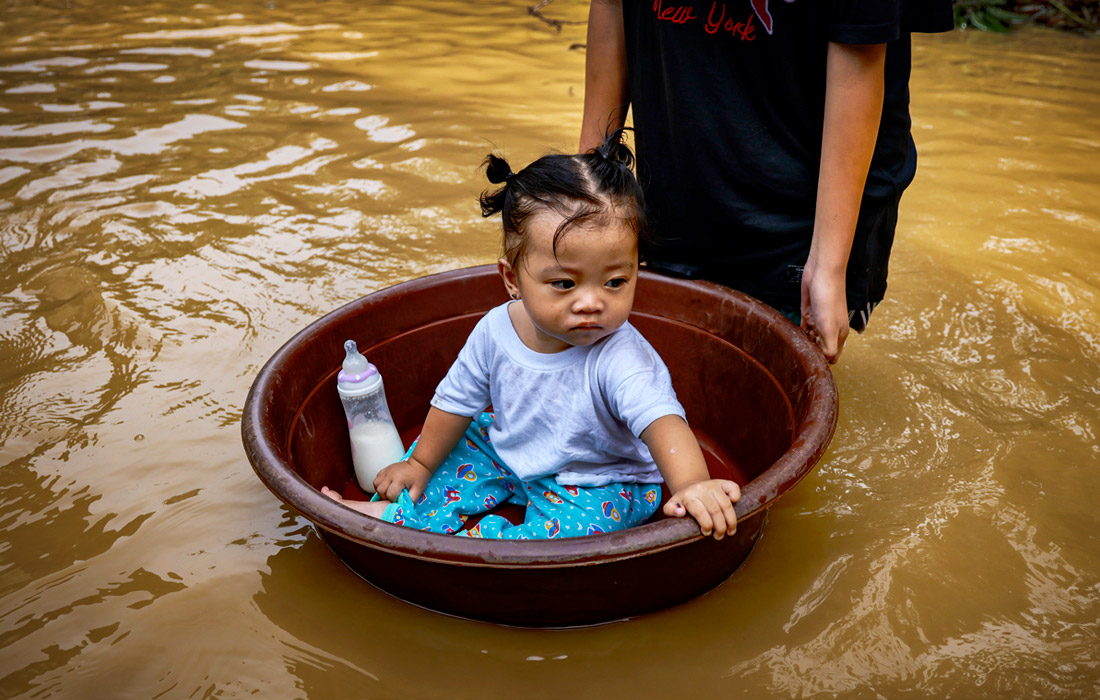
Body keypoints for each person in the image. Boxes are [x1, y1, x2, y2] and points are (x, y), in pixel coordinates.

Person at [323, 131, 741, 540]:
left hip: (599, 478)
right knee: (461, 441)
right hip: (510, 448)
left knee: (576, 534)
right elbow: (455, 402)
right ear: (512, 280)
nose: (591, 303)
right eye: (564, 284)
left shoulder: (620, 356)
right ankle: (396, 513)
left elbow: (663, 424)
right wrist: (421, 465)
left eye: (615, 282)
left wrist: (691, 485)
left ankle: (484, 547)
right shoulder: (494, 330)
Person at [580, 0, 955, 363]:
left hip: (804, 214)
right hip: (673, 188)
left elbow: (861, 43)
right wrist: (588, 190)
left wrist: (828, 265)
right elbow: (614, 6)